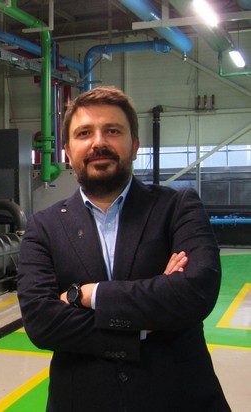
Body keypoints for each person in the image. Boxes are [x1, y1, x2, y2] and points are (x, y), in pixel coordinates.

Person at [17, 86, 231, 412]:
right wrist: (149, 318)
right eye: (84, 133)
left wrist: (88, 295)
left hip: (180, 399)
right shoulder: (43, 227)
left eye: (113, 131)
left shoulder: (178, 207)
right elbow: (42, 322)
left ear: (135, 146)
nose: (98, 142)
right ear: (68, 152)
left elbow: (195, 292)